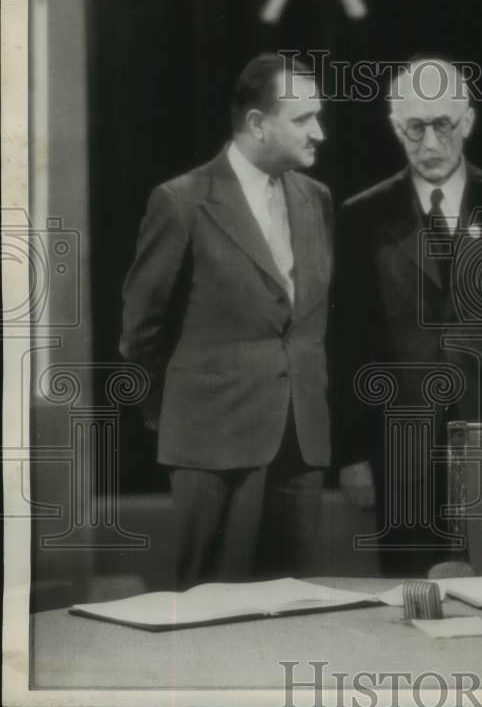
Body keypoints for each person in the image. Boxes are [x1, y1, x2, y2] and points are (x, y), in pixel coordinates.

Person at [120, 53, 332, 588]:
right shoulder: (181, 202)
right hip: (211, 445)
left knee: (295, 608)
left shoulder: (317, 200)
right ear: (258, 124)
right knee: (211, 615)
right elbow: (140, 331)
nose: (320, 133)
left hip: (299, 444)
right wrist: (178, 414)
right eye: (304, 119)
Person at [334, 58, 482, 576]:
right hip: (402, 451)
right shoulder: (362, 216)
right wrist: (353, 453)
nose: (429, 143)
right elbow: (348, 343)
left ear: (467, 122)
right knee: (413, 596)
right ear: (394, 126)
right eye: (414, 127)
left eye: (442, 125)